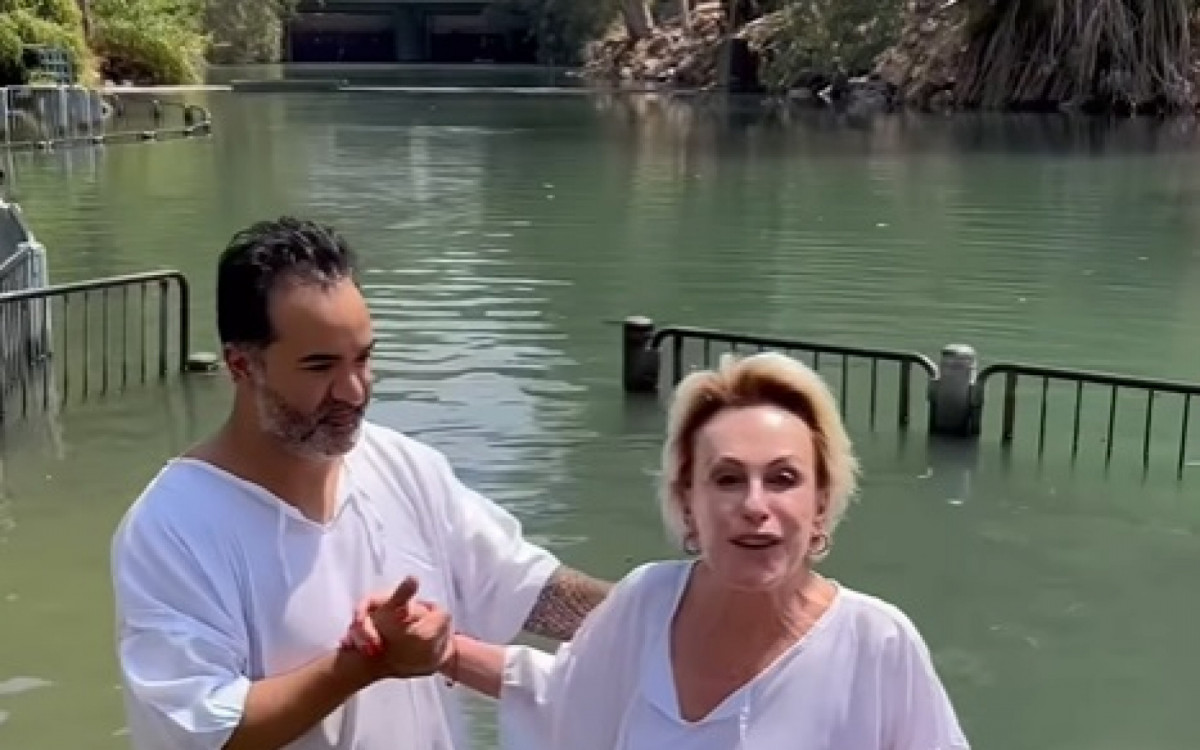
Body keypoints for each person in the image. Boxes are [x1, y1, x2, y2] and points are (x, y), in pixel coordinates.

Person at [109, 216, 611, 750]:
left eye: (363, 358)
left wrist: (660, 610)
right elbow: (208, 731)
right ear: (241, 366)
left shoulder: (405, 467)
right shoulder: (172, 529)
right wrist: (364, 663)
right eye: (319, 367)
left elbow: (536, 594)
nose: (352, 391)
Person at [347, 351, 971, 750]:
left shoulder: (877, 644)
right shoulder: (646, 601)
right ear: (687, 502)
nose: (755, 504)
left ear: (822, 503)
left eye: (783, 479)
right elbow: (564, 697)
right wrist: (440, 650)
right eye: (727, 479)